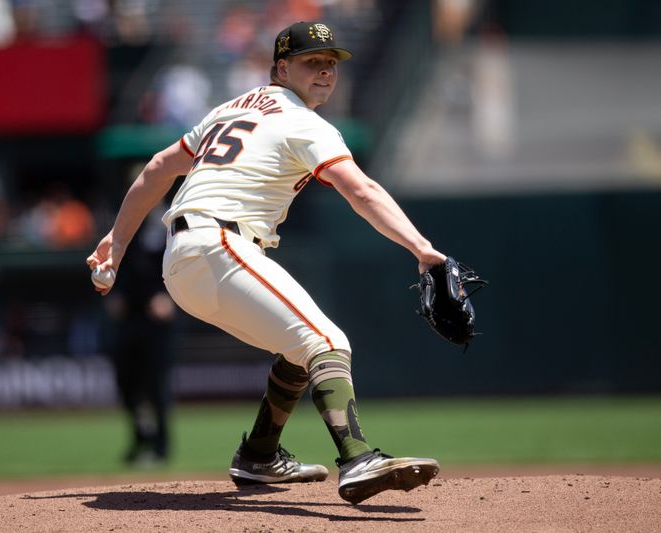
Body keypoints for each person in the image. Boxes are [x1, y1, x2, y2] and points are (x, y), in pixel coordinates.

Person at [87, 21, 447, 505]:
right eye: (310, 62)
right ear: (281, 67)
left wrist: (117, 239)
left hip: (186, 260)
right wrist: (423, 250)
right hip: (220, 244)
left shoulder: (229, 108)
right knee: (326, 341)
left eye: (331, 63)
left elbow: (157, 168)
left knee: (299, 346)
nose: (324, 71)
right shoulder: (305, 122)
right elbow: (361, 190)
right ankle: (358, 458)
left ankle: (258, 456)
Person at [102, 203, 176, 466]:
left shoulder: (168, 219)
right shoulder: (123, 219)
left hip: (156, 317)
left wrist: (169, 296)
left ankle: (161, 446)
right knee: (125, 381)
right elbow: (117, 260)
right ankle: (140, 436)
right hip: (129, 314)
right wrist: (116, 293)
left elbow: (180, 259)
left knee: (156, 383)